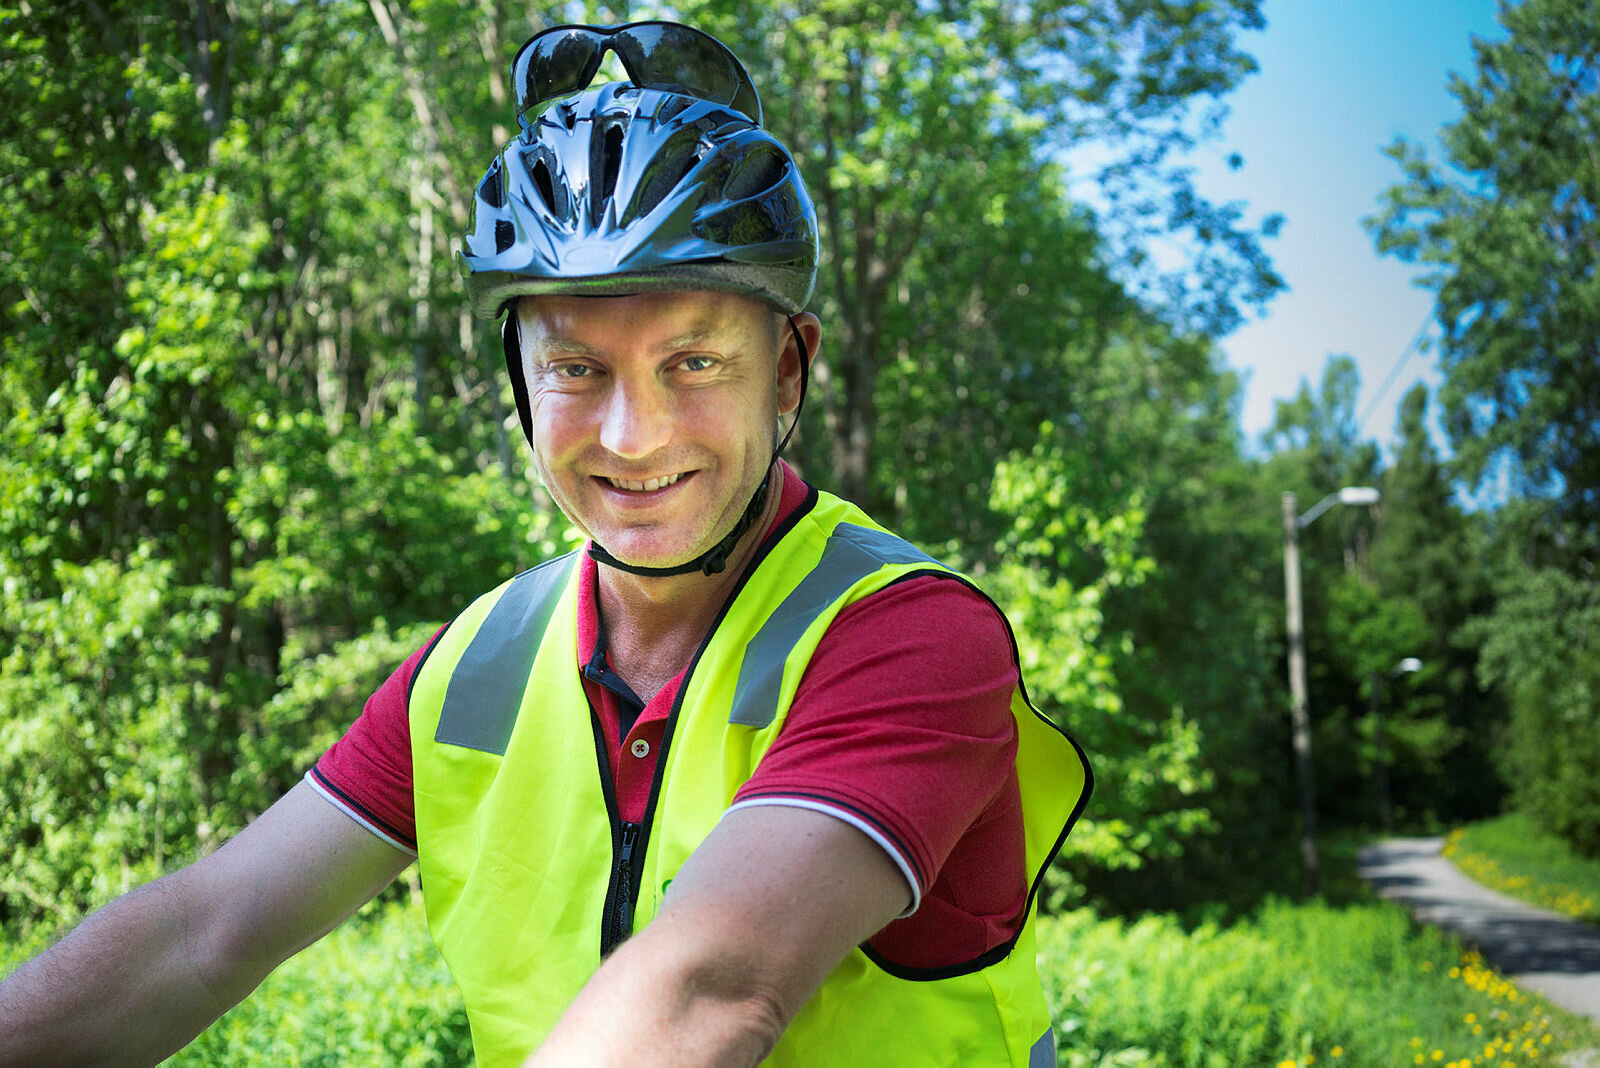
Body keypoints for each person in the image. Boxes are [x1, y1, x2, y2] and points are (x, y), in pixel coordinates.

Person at [0, 21, 1090, 1067]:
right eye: (577, 369)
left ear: (788, 370)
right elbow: (204, 934)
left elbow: (714, 992)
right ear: (518, 381)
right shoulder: (479, 662)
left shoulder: (907, 633)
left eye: (694, 363)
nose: (632, 435)